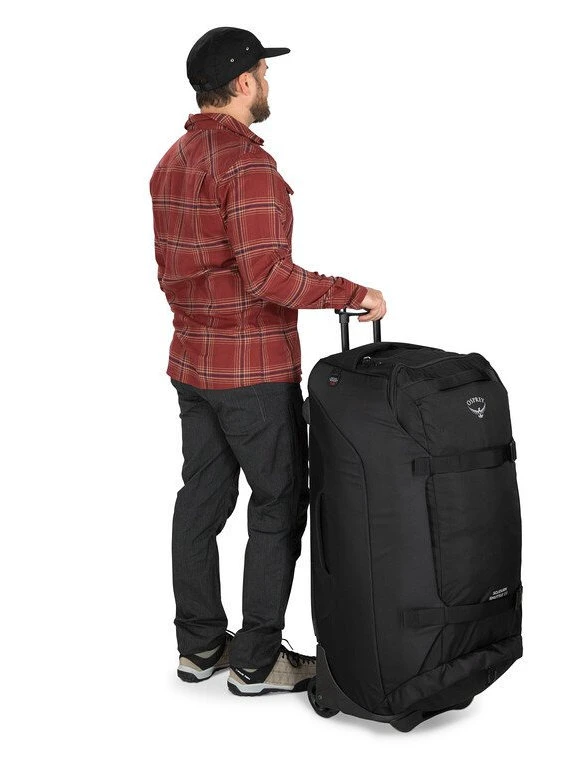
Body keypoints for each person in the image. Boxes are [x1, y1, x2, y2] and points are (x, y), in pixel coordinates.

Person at [149, 26, 387, 697]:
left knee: (201, 501)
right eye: (263, 72)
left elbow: (176, 270)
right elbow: (268, 277)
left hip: (193, 364)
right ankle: (256, 661)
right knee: (278, 503)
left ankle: (199, 646)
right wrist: (353, 293)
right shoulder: (244, 164)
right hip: (252, 374)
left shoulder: (172, 160)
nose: (268, 84)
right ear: (243, 81)